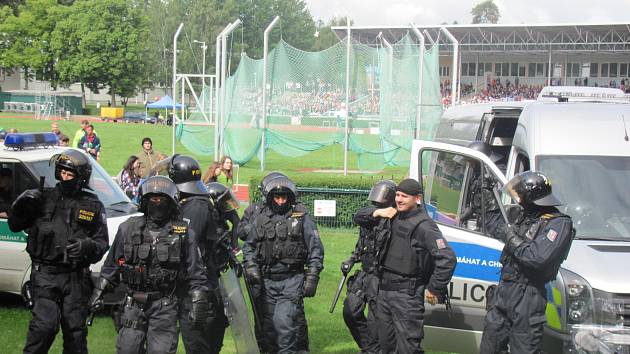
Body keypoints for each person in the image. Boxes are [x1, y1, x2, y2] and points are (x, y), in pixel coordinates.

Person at [88, 176, 209, 354]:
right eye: (153, 199)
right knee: (128, 349)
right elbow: (111, 265)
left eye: (162, 199)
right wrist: (98, 292)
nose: (157, 203)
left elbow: (196, 273)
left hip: (164, 305)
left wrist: (199, 303)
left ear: (171, 203)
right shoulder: (128, 228)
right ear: (145, 202)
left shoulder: (183, 233)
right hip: (133, 304)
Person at [8, 150, 109, 354]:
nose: (64, 177)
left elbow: (102, 242)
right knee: (44, 327)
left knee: (75, 334)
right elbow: (15, 225)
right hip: (45, 275)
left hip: (75, 278)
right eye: (62, 172)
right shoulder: (41, 197)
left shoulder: (93, 204)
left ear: (81, 176)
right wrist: (19, 204)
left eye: (69, 174)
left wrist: (87, 246)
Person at [479, 171, 573, 353]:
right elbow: (494, 226)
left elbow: (536, 258)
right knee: (490, 346)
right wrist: (487, 196)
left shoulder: (558, 223)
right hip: (505, 290)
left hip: (528, 295)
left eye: (520, 195)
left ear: (532, 197)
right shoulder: (524, 216)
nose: (518, 199)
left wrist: (511, 238)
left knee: (523, 349)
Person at [242, 175, 324, 354]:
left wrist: (312, 276)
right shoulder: (261, 218)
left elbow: (315, 248)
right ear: (270, 198)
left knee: (284, 324)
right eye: (276, 197)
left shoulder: (301, 217)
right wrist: (251, 267)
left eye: (284, 197)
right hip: (267, 281)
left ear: (290, 198)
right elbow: (248, 247)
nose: (280, 201)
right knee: (269, 328)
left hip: (292, 279)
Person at [373, 178, 456, 354]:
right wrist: (376, 213)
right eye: (397, 195)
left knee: (407, 349)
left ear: (417, 198)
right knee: (386, 346)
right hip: (384, 292)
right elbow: (361, 216)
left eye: (404, 196)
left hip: (406, 297)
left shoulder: (424, 226)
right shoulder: (393, 215)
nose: (399, 200)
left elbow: (447, 258)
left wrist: (434, 288)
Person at [167, 154, 224, 354]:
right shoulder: (191, 202)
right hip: (191, 281)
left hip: (197, 284)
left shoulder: (196, 206)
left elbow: (186, 243)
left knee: (197, 342)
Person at [342, 180, 397, 354]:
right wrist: (377, 212)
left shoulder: (397, 219)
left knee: (376, 322)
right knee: (350, 310)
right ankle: (370, 348)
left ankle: (372, 350)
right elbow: (357, 216)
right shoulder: (370, 215)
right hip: (364, 274)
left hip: (380, 278)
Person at [206, 182, 241, 254]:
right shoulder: (207, 212)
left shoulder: (223, 208)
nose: (226, 203)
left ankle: (233, 247)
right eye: (224, 200)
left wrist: (234, 244)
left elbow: (236, 221)